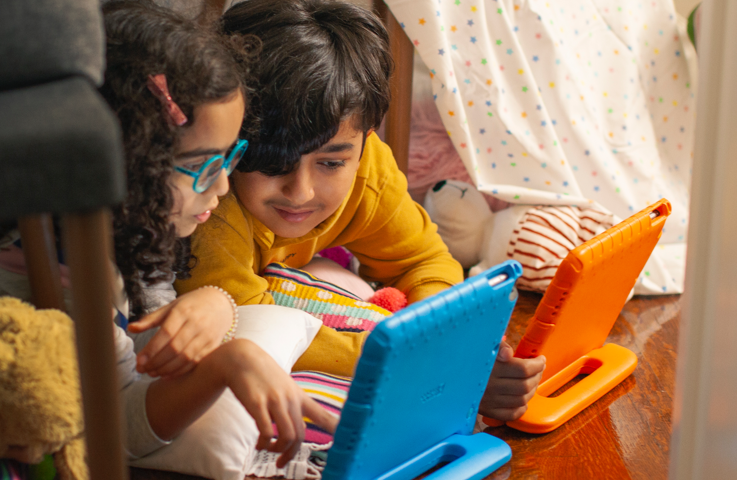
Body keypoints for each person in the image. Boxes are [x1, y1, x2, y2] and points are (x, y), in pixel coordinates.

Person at [0, 0, 333, 466]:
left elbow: (149, 324)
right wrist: (231, 361)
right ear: (130, 165)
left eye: (231, 157)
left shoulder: (135, 219)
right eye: (201, 165)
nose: (222, 186)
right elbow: (116, 429)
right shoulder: (45, 256)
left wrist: (217, 304)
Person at [174, 0, 544, 422]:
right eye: (273, 162)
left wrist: (445, 343)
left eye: (331, 163)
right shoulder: (211, 201)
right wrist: (423, 364)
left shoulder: (370, 170)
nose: (301, 191)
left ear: (366, 139)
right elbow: (250, 325)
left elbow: (425, 261)